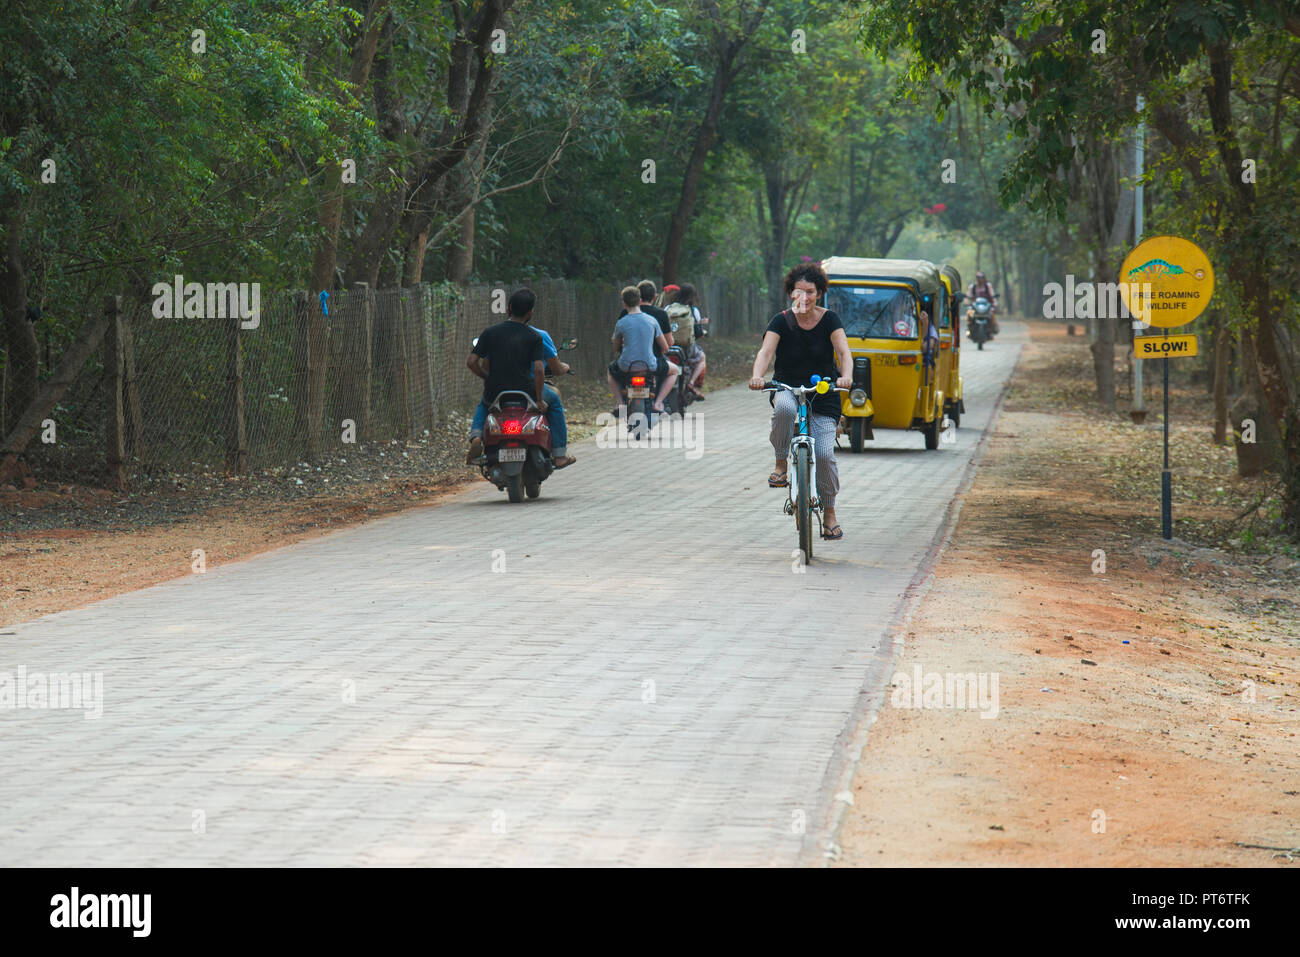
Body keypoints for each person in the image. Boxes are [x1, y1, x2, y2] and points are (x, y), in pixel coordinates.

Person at [748, 262, 853, 542]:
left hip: (824, 391)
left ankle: (829, 514)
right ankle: (781, 463)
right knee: (783, 408)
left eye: (810, 292)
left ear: (819, 293)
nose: (804, 298)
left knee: (824, 455)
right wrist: (758, 376)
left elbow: (844, 353)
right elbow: (765, 351)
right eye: (798, 292)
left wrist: (846, 377)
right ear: (790, 293)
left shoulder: (830, 320)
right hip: (787, 386)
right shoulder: (781, 321)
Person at [465, 288, 548, 463]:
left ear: (509, 308)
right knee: (553, 403)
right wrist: (539, 399)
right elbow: (539, 370)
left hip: (496, 391)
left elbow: (472, 362)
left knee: (484, 405)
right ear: (530, 312)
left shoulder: (490, 332)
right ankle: (557, 452)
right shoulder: (534, 337)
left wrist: (486, 377)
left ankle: (477, 437)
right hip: (525, 391)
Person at [609, 285, 677, 414]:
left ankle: (620, 403)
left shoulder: (621, 322)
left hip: (626, 365)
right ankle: (658, 403)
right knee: (674, 371)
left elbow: (615, 347)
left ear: (624, 303)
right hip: (650, 364)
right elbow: (665, 346)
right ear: (639, 300)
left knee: (610, 373)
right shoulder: (652, 321)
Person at [669, 282, 708, 400]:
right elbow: (698, 332)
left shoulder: (668, 308)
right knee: (701, 358)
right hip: (687, 348)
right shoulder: (693, 310)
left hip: (669, 346)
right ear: (692, 296)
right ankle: (691, 383)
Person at [967, 270, 999, 335]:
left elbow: (992, 295)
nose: (980, 279)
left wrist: (994, 302)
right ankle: (969, 328)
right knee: (969, 312)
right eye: (978, 277)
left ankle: (992, 328)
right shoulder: (972, 287)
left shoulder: (987, 286)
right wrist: (966, 301)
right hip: (975, 306)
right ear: (976, 278)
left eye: (981, 277)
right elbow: (968, 296)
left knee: (992, 313)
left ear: (984, 278)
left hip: (986, 306)